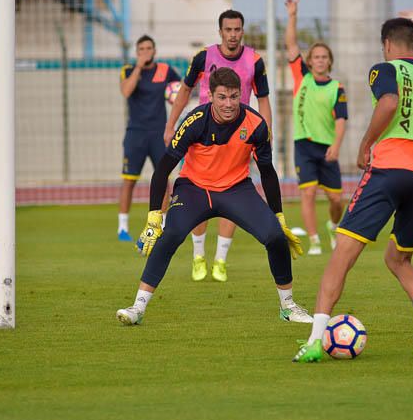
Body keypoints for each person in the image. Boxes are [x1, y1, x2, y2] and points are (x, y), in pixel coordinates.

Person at [293, 18, 413, 362]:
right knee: (399, 258)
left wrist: (366, 143)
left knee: (342, 255)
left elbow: (389, 102)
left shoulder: (385, 69)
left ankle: (316, 340)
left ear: (387, 45)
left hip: (390, 170)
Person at [116, 67, 313, 325]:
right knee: (171, 235)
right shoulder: (194, 120)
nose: (229, 104)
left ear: (241, 95)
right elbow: (163, 168)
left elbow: (267, 172)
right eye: (222, 97)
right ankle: (138, 308)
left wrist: (279, 216)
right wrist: (155, 215)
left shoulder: (256, 125)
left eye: (234, 96)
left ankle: (288, 307)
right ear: (210, 96)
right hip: (194, 189)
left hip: (236, 190)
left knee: (275, 237)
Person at [163, 9, 272, 282]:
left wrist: (265, 131)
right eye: (228, 30)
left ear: (242, 31)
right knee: (197, 190)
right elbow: (185, 90)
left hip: (240, 136)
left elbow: (264, 99)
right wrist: (172, 124)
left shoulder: (255, 61)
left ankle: (220, 259)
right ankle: (199, 254)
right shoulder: (203, 57)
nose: (233, 35)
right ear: (220, 31)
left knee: (234, 191)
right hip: (202, 135)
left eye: (237, 30)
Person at [284, 0, 347, 256]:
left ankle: (333, 225)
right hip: (304, 145)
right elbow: (290, 45)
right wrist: (293, 15)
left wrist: (336, 145)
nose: (320, 60)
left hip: (328, 148)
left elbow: (341, 120)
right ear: (310, 61)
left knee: (335, 199)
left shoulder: (337, 88)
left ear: (330, 61)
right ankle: (314, 241)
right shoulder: (302, 77)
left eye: (324, 57)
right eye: (316, 57)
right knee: (308, 193)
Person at [117, 35, 181, 241]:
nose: (145, 51)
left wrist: (175, 99)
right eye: (141, 49)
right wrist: (138, 67)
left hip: (159, 134)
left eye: (149, 48)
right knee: (129, 180)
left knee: (163, 179)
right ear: (137, 52)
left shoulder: (166, 70)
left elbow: (180, 92)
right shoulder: (128, 70)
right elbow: (126, 91)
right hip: (135, 133)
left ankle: (161, 224)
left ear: (154, 50)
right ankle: (122, 228)